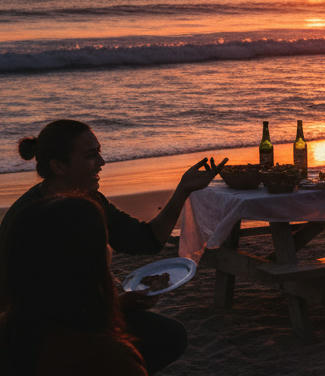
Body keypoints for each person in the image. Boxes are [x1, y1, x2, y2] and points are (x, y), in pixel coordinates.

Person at [0, 119, 227, 374]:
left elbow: (147, 240)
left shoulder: (91, 201)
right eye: (91, 155)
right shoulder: (31, 220)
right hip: (35, 335)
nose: (102, 162)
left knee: (169, 336)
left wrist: (183, 190)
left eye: (99, 152)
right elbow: (39, 306)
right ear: (58, 166)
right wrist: (118, 305)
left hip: (82, 317)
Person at [0, 195, 147, 375]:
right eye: (103, 243)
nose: (110, 250)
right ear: (87, 264)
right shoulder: (110, 358)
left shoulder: (12, 332)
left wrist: (118, 304)